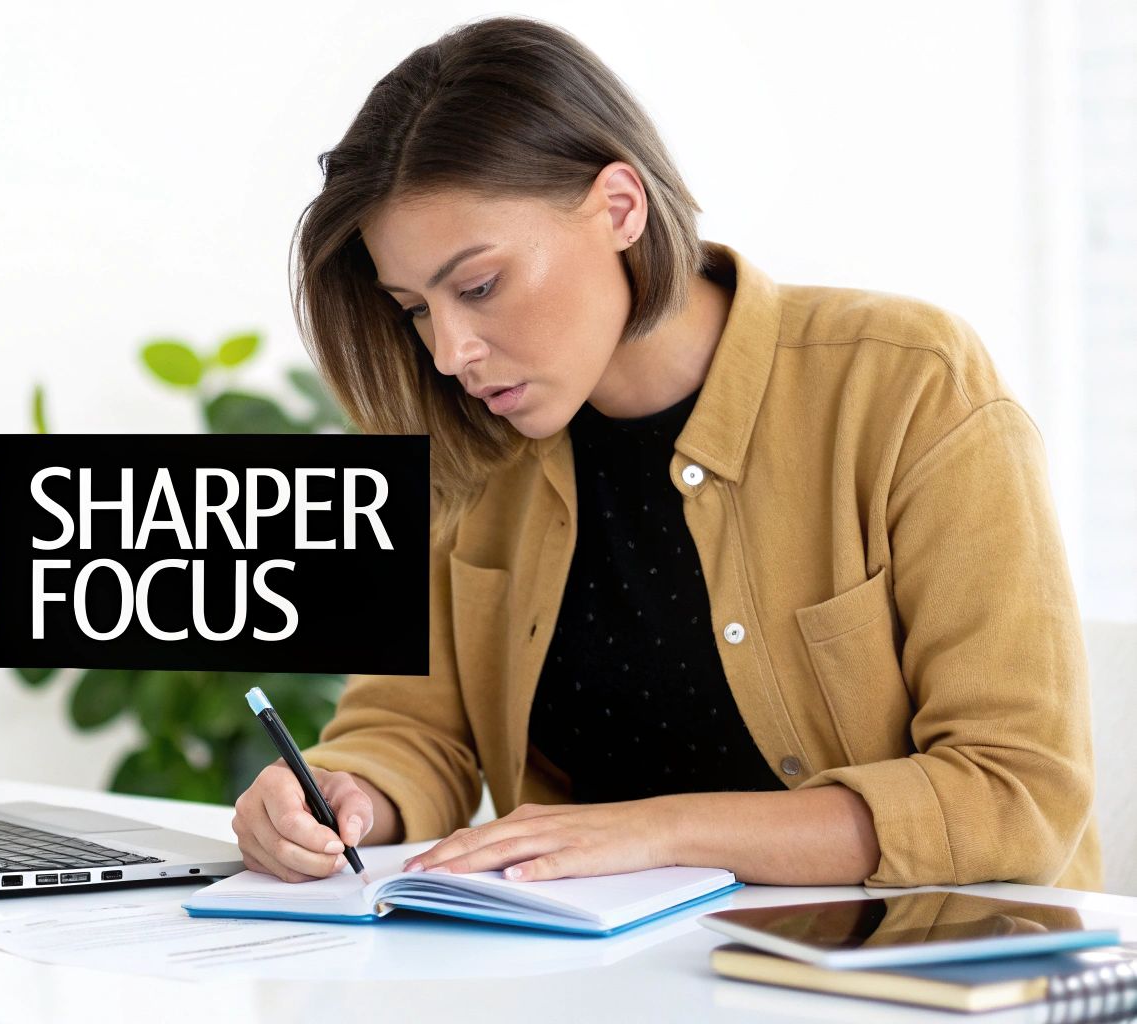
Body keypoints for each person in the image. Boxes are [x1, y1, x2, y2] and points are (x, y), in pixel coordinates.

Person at [229, 15, 1099, 890]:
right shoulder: (469, 443)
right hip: (616, 975)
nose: (450, 352)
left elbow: (1014, 792)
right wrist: (348, 794)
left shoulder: (909, 383)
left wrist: (659, 832)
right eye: (416, 308)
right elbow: (414, 727)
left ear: (619, 206)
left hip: (914, 981)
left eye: (480, 285)